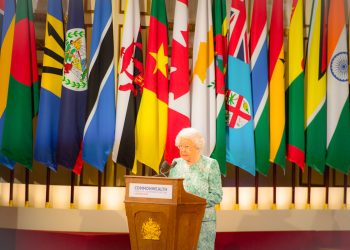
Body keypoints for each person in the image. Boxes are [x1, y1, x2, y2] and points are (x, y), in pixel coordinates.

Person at [168, 127, 223, 250]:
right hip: (180, 220)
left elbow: (217, 195)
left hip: (202, 222)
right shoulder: (176, 164)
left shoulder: (210, 164)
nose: (183, 150)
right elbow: (172, 192)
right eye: (180, 146)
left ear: (197, 147)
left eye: (187, 146)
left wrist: (193, 202)